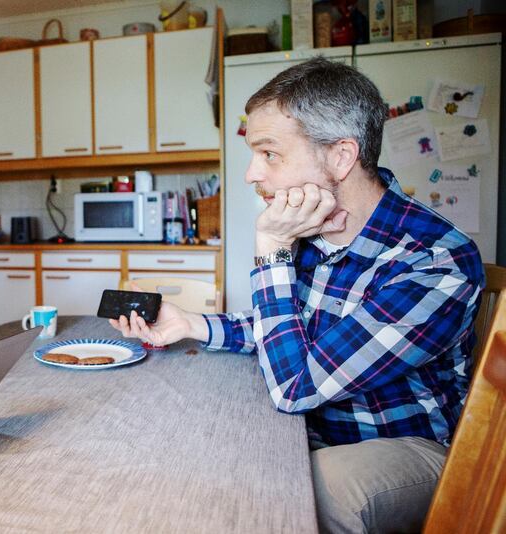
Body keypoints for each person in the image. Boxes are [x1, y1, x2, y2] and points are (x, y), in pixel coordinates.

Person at [111, 57, 484, 532]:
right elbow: (294, 328)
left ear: (341, 156)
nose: (250, 175)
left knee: (303, 493)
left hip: (407, 445)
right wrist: (190, 324)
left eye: (269, 154)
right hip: (313, 426)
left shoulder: (434, 260)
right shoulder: (317, 232)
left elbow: (296, 387)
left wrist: (272, 250)